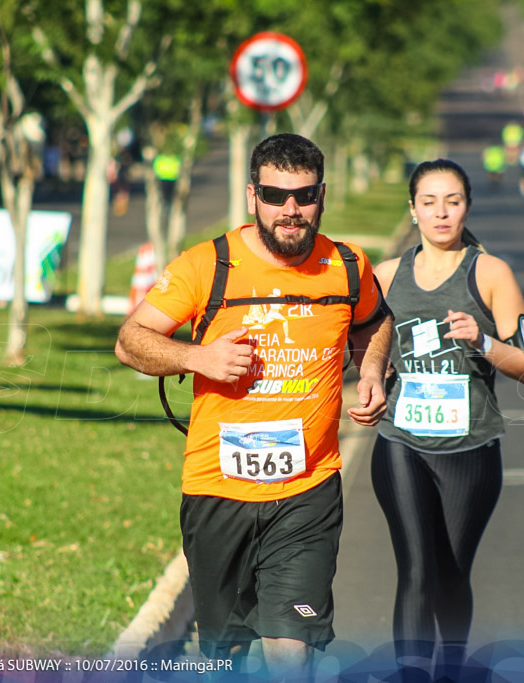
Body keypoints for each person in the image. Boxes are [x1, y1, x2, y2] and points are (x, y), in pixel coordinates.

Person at [115, 133, 393, 677]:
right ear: (252, 196)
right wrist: (198, 358)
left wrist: (374, 371)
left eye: (304, 196)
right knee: (226, 654)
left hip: (307, 490)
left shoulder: (347, 265)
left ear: (322, 195)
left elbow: (375, 319)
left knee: (291, 647)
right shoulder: (207, 265)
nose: (291, 210)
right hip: (217, 490)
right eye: (275, 195)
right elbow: (131, 340)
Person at [372, 159, 524, 680]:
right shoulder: (384, 277)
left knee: (450, 574)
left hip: (470, 449)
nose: (441, 213)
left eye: (453, 201)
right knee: (417, 568)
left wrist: (482, 340)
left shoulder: (490, 273)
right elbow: (364, 347)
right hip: (402, 439)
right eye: (429, 202)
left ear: (467, 206)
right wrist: (371, 376)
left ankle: (451, 666)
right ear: (413, 210)